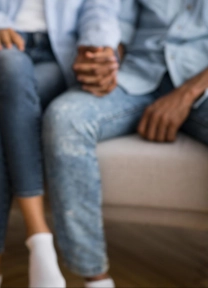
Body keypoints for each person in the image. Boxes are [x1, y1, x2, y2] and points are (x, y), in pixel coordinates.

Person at [0, 1, 121, 287]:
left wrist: (96, 45)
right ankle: (38, 233)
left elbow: (100, 9)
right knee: (12, 62)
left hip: (55, 56)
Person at [43, 1, 208, 287]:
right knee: (65, 118)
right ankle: (95, 277)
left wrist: (187, 92)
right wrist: (106, 56)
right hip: (137, 75)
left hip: (201, 85)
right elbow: (116, 19)